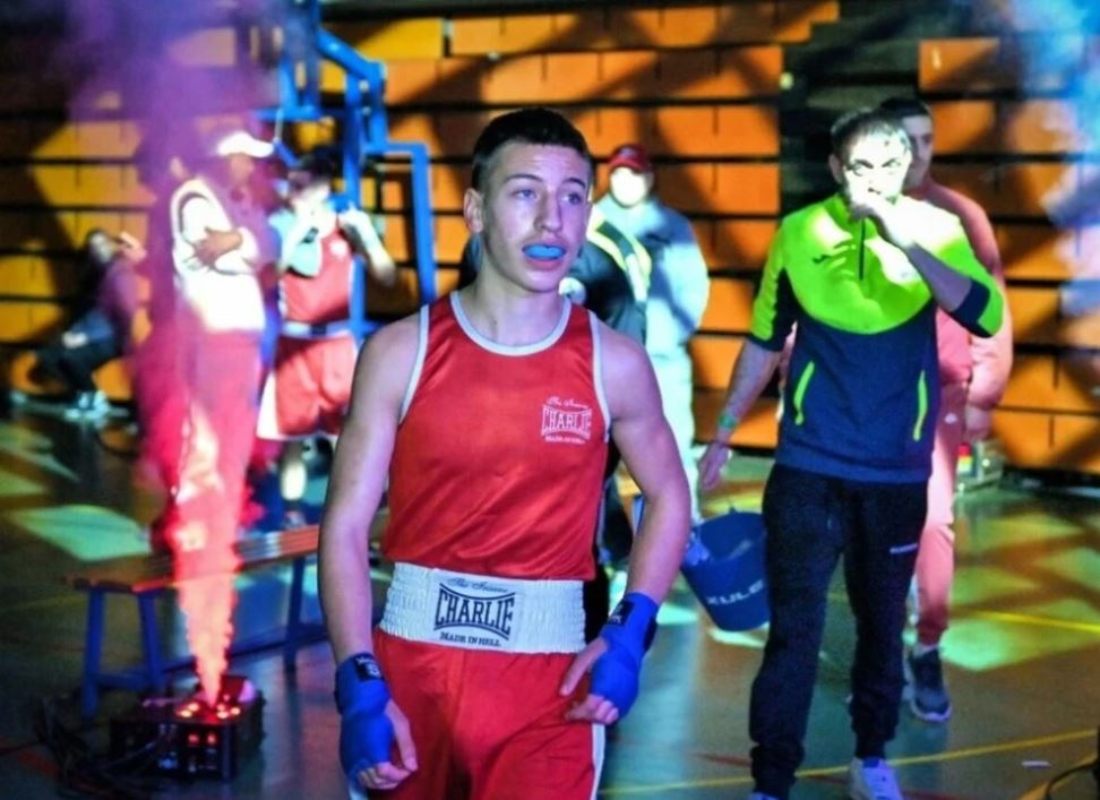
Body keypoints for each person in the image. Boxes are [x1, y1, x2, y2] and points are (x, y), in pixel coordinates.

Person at [319, 107, 690, 799]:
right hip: (409, 671)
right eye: (525, 193)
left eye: (573, 197)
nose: (553, 220)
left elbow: (669, 493)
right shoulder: (402, 352)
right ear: (477, 210)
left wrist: (632, 627)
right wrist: (357, 680)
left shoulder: (616, 363)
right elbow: (343, 526)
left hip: (551, 683)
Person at [697, 108, 1004, 800]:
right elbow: (764, 337)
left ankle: (869, 757)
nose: (875, 179)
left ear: (908, 168)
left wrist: (903, 237)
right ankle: (770, 781)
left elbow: (981, 313)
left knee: (879, 623)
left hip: (895, 468)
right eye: (860, 166)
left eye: (889, 165)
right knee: (794, 632)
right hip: (808, 464)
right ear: (837, 169)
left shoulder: (939, 228)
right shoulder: (798, 232)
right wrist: (722, 430)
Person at [879, 96, 1014, 724]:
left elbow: (992, 307)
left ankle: (926, 645)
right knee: (866, 529)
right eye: (905, 140)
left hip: (940, 397)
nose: (918, 152)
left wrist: (985, 392)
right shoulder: (844, 217)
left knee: (932, 523)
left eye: (926, 140)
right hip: (861, 399)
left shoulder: (962, 216)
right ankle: (877, 654)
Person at [260, 148, 396, 524]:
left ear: (322, 188)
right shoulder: (278, 226)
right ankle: (291, 518)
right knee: (291, 441)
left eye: (302, 184)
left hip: (336, 345)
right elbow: (269, 276)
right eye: (292, 183)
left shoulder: (346, 226)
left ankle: (355, 522)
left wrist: (368, 237)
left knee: (346, 440)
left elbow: (387, 277)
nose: (293, 190)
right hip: (294, 345)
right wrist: (296, 234)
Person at [596, 143, 710, 523]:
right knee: (595, 453)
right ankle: (604, 543)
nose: (627, 181)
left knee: (675, 445)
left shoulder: (673, 225)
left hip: (663, 360)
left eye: (635, 173)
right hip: (601, 361)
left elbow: (693, 288)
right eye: (619, 173)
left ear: (649, 178)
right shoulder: (588, 221)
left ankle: (685, 526)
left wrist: (665, 337)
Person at [32, 228, 142, 420]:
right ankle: (84, 393)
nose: (98, 250)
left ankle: (96, 398)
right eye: (93, 247)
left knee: (71, 358)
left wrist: (85, 337)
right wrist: (74, 332)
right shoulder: (98, 274)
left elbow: (121, 315)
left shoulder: (120, 273)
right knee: (48, 355)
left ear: (109, 245)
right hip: (95, 332)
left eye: (101, 244)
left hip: (114, 337)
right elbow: (92, 312)